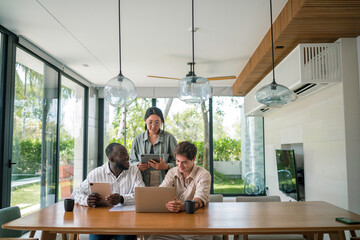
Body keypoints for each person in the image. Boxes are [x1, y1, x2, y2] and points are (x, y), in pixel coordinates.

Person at [71, 143, 145, 240]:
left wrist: (122, 199)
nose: (128, 156)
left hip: (126, 223)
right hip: (100, 224)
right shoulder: (96, 174)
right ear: (111, 159)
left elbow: (142, 195)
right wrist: (86, 200)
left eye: (127, 153)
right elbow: (75, 193)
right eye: (123, 154)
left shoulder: (134, 171)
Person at [145, 141, 212, 240]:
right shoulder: (172, 172)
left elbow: (200, 200)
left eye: (184, 162)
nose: (180, 166)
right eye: (177, 161)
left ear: (193, 159)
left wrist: (183, 206)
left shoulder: (204, 174)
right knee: (152, 238)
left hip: (197, 226)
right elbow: (161, 191)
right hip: (175, 225)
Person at [130, 106, 177, 186]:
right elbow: (131, 161)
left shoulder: (169, 138)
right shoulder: (137, 139)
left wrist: (166, 166)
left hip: (165, 182)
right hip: (142, 182)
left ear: (161, 121)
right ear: (145, 121)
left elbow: (178, 162)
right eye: (150, 122)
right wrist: (138, 165)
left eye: (157, 122)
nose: (153, 126)